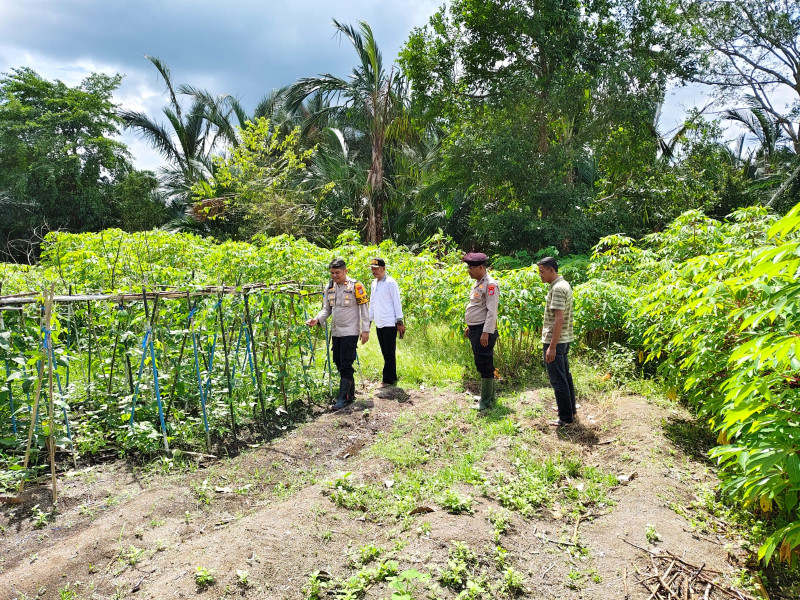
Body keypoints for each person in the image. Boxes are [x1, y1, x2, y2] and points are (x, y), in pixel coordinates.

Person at [306, 258, 370, 410]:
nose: (335, 276)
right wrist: (317, 319)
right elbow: (326, 309)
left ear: (345, 271)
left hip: (350, 331)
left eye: (338, 273)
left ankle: (343, 399)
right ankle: (350, 394)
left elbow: (364, 309)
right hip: (336, 332)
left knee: (346, 364)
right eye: (332, 273)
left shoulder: (356, 285)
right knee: (339, 363)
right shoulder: (330, 287)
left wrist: (365, 330)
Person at [537, 256, 576, 426]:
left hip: (557, 341)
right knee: (565, 376)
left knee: (558, 380)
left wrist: (551, 346)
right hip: (563, 339)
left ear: (552, 270)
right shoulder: (562, 285)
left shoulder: (558, 288)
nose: (541, 275)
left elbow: (559, 319)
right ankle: (569, 410)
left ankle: (565, 418)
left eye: (542, 272)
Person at [463, 252, 499, 411]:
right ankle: (488, 396)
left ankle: (485, 401)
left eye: (471, 268)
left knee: (484, 364)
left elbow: (492, 311)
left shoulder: (490, 284)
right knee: (481, 362)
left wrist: (486, 333)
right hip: (476, 329)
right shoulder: (478, 282)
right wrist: (469, 326)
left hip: (483, 331)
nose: (469, 271)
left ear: (481, 267)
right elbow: (478, 307)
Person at [368, 258, 405, 386]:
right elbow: (372, 304)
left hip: (389, 322)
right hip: (379, 322)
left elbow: (397, 302)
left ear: (383, 268)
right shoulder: (374, 284)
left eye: (376, 269)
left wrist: (399, 321)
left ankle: (388, 379)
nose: (374, 271)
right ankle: (392, 376)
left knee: (389, 351)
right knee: (384, 351)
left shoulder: (390, 283)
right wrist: (369, 320)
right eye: (372, 269)